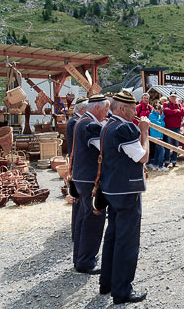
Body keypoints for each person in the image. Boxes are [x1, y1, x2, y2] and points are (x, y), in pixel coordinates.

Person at [99, 91, 149, 304]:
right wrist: (144, 133)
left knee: (112, 236)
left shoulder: (107, 125)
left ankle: (107, 282)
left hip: (111, 189)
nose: (135, 112)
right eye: (132, 108)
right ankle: (122, 291)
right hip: (127, 190)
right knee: (127, 241)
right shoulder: (125, 127)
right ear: (121, 109)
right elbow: (142, 156)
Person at [71, 94, 110, 275]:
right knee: (94, 219)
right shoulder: (90, 124)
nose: (106, 113)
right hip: (89, 178)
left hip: (81, 177)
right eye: (105, 110)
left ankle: (80, 259)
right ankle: (86, 261)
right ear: (97, 108)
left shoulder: (82, 121)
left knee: (84, 218)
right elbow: (102, 147)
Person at [66, 96, 87, 241]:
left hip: (76, 163)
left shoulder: (74, 121)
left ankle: (77, 231)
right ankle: (76, 233)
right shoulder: (75, 122)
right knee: (78, 201)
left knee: (78, 200)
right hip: (78, 164)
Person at [163, 92, 184, 167]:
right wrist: (176, 111)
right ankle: (166, 161)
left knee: (176, 145)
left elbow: (182, 113)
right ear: (169, 97)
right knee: (168, 145)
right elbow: (166, 112)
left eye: (174, 97)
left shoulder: (179, 104)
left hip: (177, 127)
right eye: (172, 97)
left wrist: (172, 111)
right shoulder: (166, 104)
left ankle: (174, 161)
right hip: (168, 127)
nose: (173, 98)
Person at [147, 105, 167, 171]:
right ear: (153, 108)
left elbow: (163, 125)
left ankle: (156, 165)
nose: (157, 110)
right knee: (162, 150)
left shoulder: (159, 115)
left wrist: (161, 119)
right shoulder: (151, 115)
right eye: (156, 108)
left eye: (159, 109)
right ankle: (160, 166)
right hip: (155, 135)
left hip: (160, 135)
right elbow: (158, 125)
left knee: (157, 151)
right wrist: (161, 120)